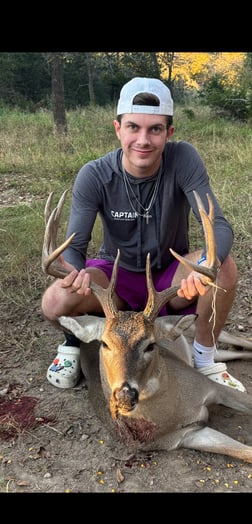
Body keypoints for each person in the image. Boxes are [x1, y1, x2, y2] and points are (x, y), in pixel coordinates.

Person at [41, 76, 245, 392]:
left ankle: (205, 359)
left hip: (169, 281)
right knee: (56, 298)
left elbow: (218, 225)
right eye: (133, 127)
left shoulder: (183, 160)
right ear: (117, 128)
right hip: (115, 284)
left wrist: (208, 260)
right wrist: (75, 272)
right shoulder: (95, 174)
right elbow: (75, 246)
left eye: (155, 129)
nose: (143, 140)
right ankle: (72, 344)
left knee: (224, 267)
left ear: (169, 133)